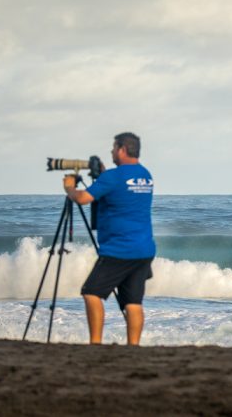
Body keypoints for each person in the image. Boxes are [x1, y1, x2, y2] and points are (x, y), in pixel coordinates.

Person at [63, 132, 155, 345]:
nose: (112, 152)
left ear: (122, 149)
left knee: (91, 293)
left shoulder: (112, 177)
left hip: (119, 249)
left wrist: (69, 187)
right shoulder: (145, 175)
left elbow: (84, 199)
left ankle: (95, 343)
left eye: (114, 148)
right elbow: (123, 190)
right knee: (132, 302)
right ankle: (134, 347)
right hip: (144, 249)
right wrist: (103, 174)